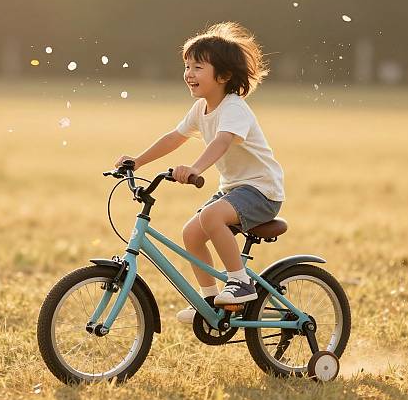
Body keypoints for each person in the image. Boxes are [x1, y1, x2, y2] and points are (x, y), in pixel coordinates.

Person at [114, 21, 284, 324]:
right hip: (235, 189)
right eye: (187, 66)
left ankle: (240, 281)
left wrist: (194, 168)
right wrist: (137, 162)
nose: (189, 73)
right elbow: (174, 137)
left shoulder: (234, 108)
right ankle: (208, 300)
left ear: (224, 76)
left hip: (262, 190)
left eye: (198, 67)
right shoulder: (200, 109)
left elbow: (221, 141)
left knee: (210, 217)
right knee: (191, 233)